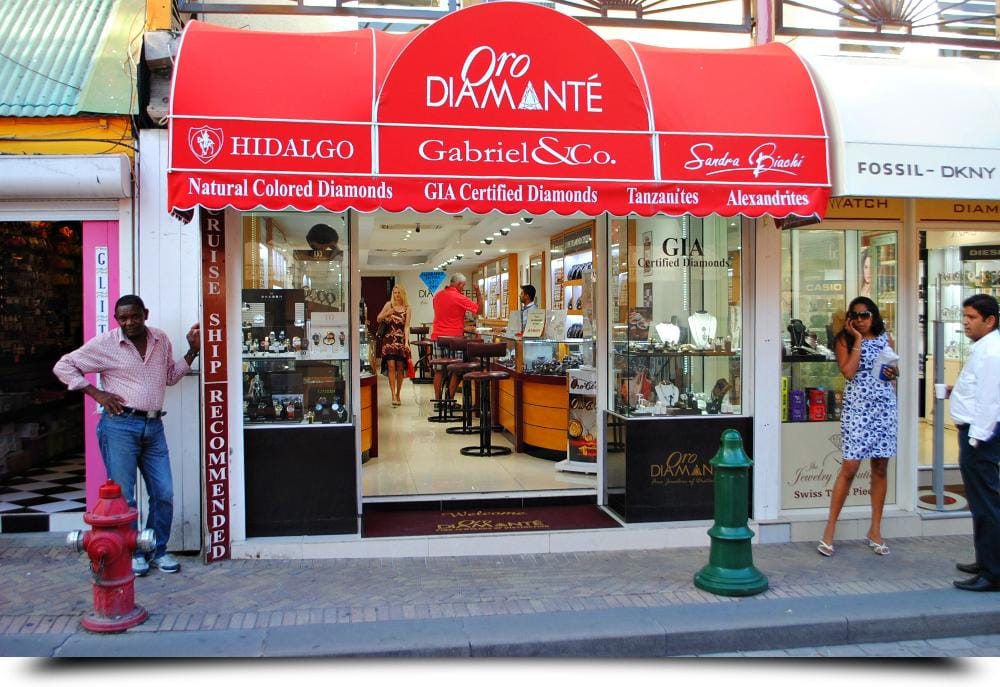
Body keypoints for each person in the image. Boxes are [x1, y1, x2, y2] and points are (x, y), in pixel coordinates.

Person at [53, 295, 200, 577]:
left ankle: (157, 549)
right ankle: (132, 553)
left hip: (153, 426)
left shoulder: (160, 339)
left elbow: (169, 377)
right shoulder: (106, 343)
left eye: (135, 316)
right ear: (116, 319)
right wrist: (97, 393)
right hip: (119, 426)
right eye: (123, 318)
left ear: (146, 313)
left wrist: (192, 351)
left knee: (164, 493)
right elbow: (63, 366)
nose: (129, 322)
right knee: (125, 498)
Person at [818, 296, 897, 558]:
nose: (861, 320)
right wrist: (859, 341)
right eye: (855, 315)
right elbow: (849, 372)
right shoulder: (845, 340)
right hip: (857, 409)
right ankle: (829, 530)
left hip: (883, 407)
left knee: (880, 466)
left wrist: (893, 373)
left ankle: (875, 530)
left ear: (873, 316)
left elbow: (893, 371)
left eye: (865, 315)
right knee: (850, 467)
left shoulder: (886, 338)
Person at [947, 293, 1000, 592]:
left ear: (989, 320)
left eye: (971, 317)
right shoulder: (984, 348)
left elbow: (990, 400)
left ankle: (993, 572)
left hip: (980, 437)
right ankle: (986, 560)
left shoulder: (992, 352)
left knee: (985, 503)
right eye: (964, 316)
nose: (965, 322)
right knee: (980, 502)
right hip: (975, 434)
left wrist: (976, 439)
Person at [430, 272, 481, 400]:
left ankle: (438, 401)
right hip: (455, 339)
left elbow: (444, 317)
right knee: (457, 370)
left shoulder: (437, 296)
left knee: (439, 370)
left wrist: (461, 327)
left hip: (437, 337)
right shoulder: (459, 297)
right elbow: (479, 310)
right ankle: (449, 399)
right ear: (459, 284)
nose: (463, 288)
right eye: (463, 286)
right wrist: (478, 293)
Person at [376, 284, 412, 407]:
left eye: (398, 293)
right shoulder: (389, 305)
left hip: (401, 340)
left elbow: (407, 326)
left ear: (403, 294)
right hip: (389, 340)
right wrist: (388, 313)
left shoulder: (407, 308)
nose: (396, 295)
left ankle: (398, 393)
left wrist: (406, 342)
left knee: (400, 367)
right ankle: (392, 395)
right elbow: (378, 318)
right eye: (394, 293)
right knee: (391, 366)